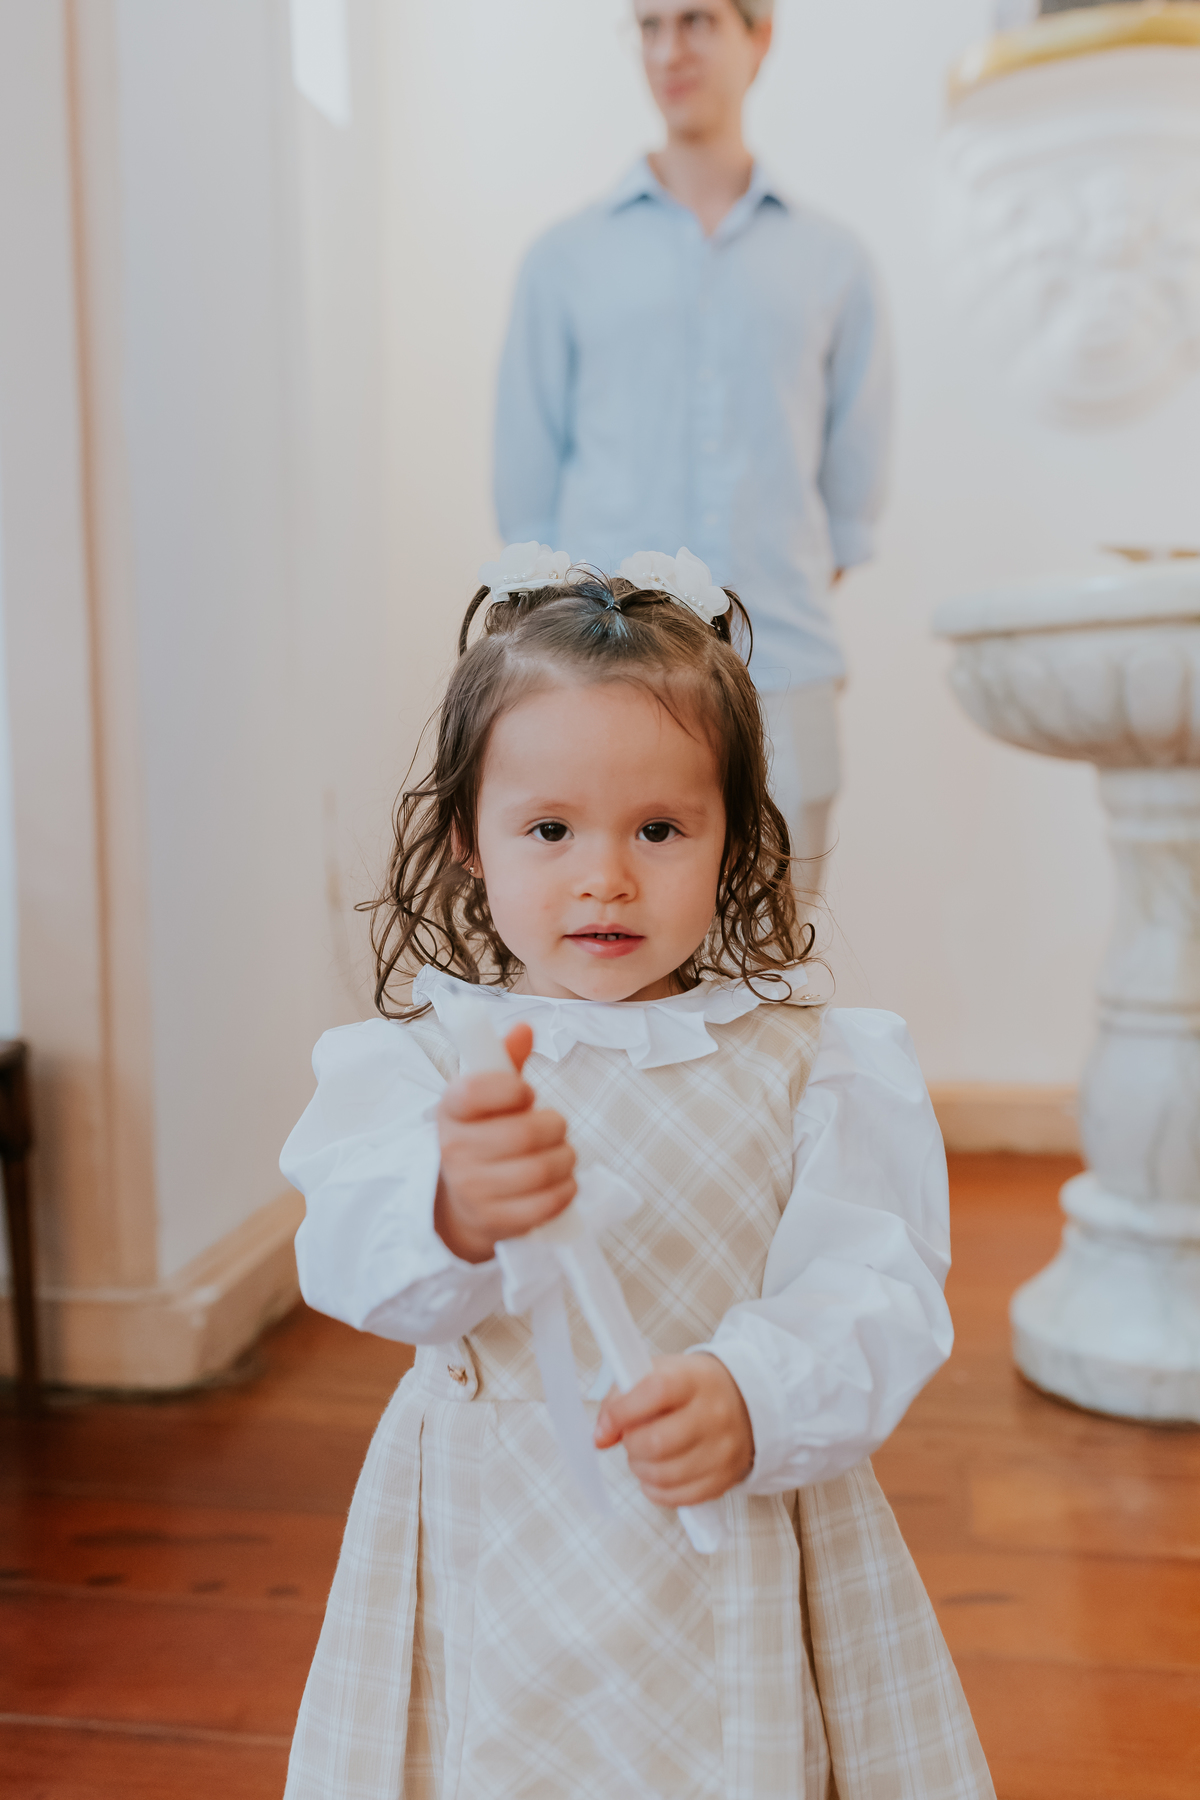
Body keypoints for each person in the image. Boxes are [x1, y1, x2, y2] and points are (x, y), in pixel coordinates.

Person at [278, 549, 993, 1799]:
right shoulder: (419, 1068)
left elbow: (875, 1290)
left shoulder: (813, 1064)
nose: (604, 875)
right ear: (468, 839)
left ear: (733, 841)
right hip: (489, 1545)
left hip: (729, 1532)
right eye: (550, 829)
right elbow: (350, 1260)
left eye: (659, 829)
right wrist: (452, 1208)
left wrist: (753, 1391)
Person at [495, 0, 893, 889]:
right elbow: (526, 500)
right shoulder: (563, 261)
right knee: (612, 951)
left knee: (777, 953)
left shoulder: (835, 263)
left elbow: (846, 508)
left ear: (760, 36)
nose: (669, 49)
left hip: (783, 673)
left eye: (698, 20)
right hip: (599, 683)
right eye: (649, 26)